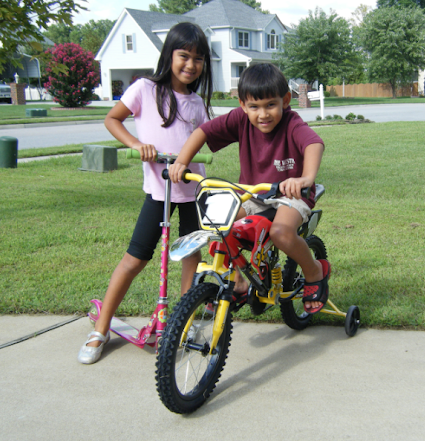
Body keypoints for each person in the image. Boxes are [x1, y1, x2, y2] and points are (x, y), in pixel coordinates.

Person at [78, 22, 214, 365]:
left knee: (190, 258)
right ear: (169, 55)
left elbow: (201, 140)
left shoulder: (196, 102)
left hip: (191, 191)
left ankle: (182, 323)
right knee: (135, 258)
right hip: (159, 191)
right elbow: (113, 119)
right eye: (184, 56)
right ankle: (101, 328)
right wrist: (138, 144)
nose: (190, 64)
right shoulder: (144, 89)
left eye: (198, 59)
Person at [169, 63, 330, 315]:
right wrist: (181, 161)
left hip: (292, 194)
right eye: (254, 106)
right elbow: (203, 131)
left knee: (280, 232)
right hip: (254, 193)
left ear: (286, 100)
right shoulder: (239, 120)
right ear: (243, 105)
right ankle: (241, 282)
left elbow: (313, 144)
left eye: (270, 105)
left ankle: (314, 271)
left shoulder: (291, 122)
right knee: (221, 227)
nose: (262, 114)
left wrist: (305, 178)